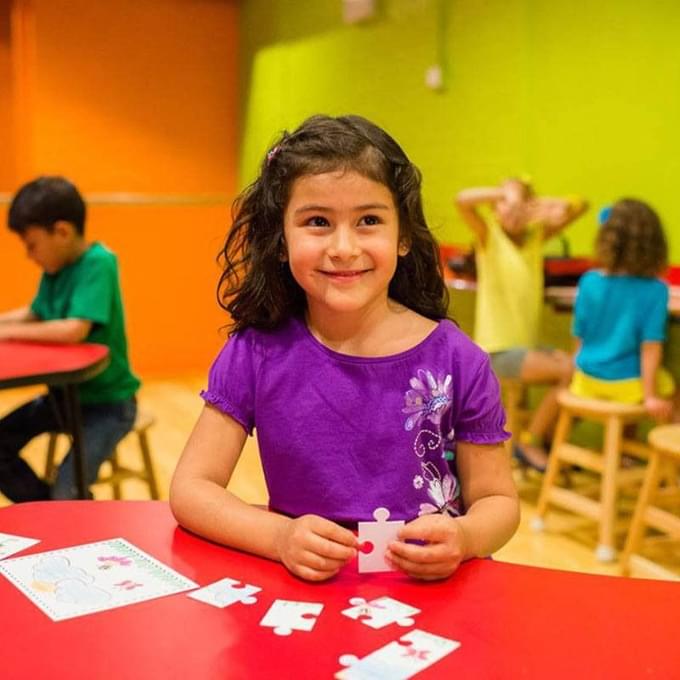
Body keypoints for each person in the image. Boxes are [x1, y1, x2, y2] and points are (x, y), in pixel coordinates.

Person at [170, 114, 519, 582]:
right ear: (280, 240)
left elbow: (499, 503)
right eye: (317, 221)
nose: (343, 247)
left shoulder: (460, 360)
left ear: (403, 238)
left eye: (369, 220)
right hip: (307, 593)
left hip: (435, 600)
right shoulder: (255, 352)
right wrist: (277, 537)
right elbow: (192, 489)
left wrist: (468, 538)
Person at [0, 176, 140, 501]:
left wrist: (5, 331)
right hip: (63, 400)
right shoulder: (55, 268)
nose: (29, 255)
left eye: (32, 244)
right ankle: (45, 512)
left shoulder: (99, 262)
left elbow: (73, 330)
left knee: (68, 491)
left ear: (61, 231)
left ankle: (60, 511)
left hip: (108, 405)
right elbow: (35, 313)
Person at [455, 178, 588, 471]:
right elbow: (463, 198)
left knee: (587, 372)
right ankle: (530, 441)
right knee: (570, 371)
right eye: (504, 205)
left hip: (525, 349)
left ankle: (551, 439)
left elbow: (580, 205)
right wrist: (505, 194)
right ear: (494, 209)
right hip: (497, 352)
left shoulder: (536, 238)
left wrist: (537, 207)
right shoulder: (489, 236)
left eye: (520, 206)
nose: (512, 212)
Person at [570, 198, 679, 420]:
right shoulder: (656, 290)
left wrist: (576, 374)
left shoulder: (588, 281)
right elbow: (651, 349)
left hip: (585, 380)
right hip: (626, 386)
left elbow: (578, 337)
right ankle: (657, 450)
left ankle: (623, 447)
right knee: (672, 389)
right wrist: (650, 397)